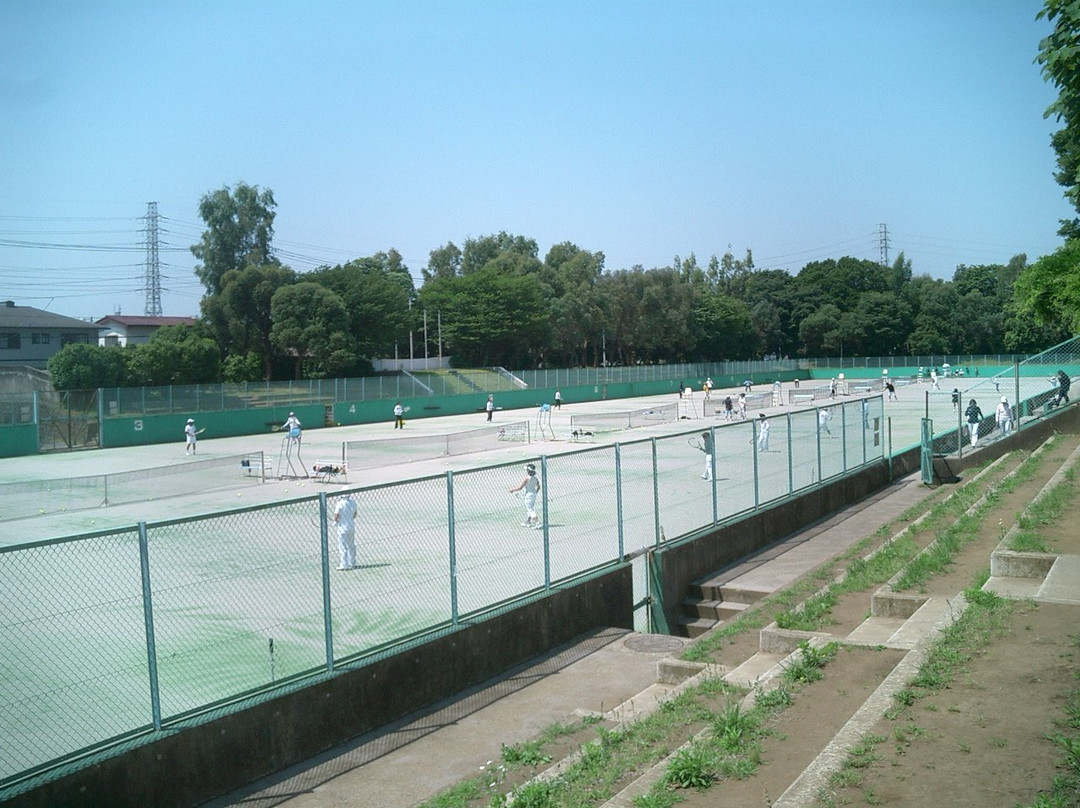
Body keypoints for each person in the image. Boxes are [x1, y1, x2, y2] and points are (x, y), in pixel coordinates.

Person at [509, 463, 541, 529]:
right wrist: (535, 493)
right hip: (533, 495)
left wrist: (512, 490)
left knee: (530, 509)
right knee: (530, 508)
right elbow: (538, 487)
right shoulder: (536, 478)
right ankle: (528, 522)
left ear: (528, 471)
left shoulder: (526, 479)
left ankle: (537, 523)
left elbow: (520, 488)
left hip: (529, 496)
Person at [332, 495, 358, 570]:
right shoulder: (353, 502)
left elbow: (336, 514)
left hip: (342, 528)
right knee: (351, 545)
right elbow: (355, 514)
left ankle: (344, 564)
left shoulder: (339, 503)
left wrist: (336, 521)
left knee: (342, 546)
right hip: (351, 527)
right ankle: (352, 563)